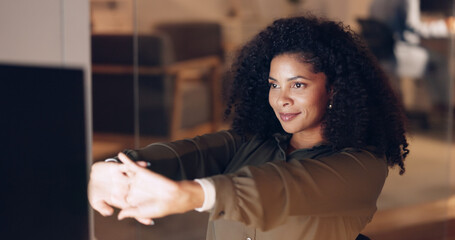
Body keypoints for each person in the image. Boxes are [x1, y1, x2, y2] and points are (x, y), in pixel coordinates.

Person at [88, 15, 409, 240]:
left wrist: (192, 195)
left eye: (297, 85)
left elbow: (281, 187)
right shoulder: (254, 142)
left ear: (334, 90)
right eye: (273, 84)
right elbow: (189, 153)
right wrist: (115, 168)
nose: (281, 99)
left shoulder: (361, 167)